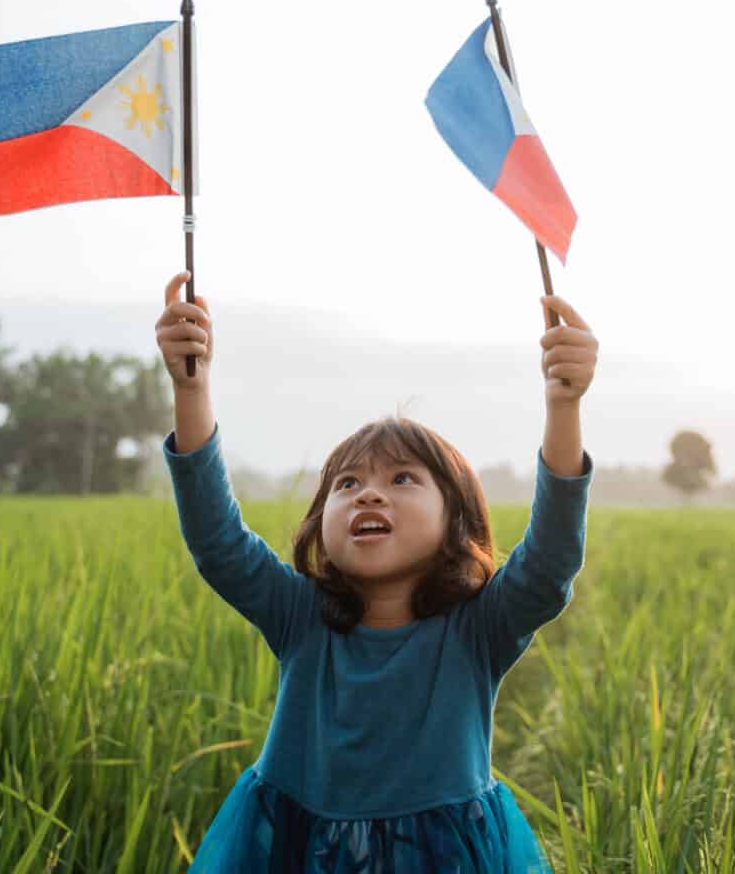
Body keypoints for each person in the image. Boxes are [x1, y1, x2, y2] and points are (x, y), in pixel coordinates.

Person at [154, 270, 598, 871]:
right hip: (299, 850)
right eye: (348, 483)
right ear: (321, 524)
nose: (369, 496)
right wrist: (191, 391)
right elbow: (218, 542)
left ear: (456, 522)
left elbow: (548, 566)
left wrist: (564, 406)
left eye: (402, 479)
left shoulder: (476, 630)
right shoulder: (299, 617)